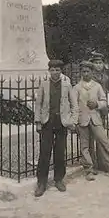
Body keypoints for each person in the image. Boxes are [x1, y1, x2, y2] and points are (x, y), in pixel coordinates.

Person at [72, 61, 109, 181]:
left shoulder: (97, 86)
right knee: (85, 146)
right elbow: (74, 106)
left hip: (96, 118)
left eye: (88, 71)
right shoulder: (76, 88)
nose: (85, 74)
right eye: (83, 71)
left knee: (104, 143)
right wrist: (74, 122)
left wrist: (97, 104)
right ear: (81, 72)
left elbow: (104, 101)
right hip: (82, 120)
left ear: (92, 72)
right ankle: (89, 170)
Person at [34, 60, 78, 197]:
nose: (55, 73)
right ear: (49, 71)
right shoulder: (44, 84)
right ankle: (41, 182)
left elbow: (74, 105)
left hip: (61, 123)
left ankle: (59, 179)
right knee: (44, 153)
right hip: (47, 122)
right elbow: (38, 104)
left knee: (60, 152)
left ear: (61, 71)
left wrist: (72, 121)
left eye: (57, 70)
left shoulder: (66, 85)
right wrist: (38, 122)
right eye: (52, 70)